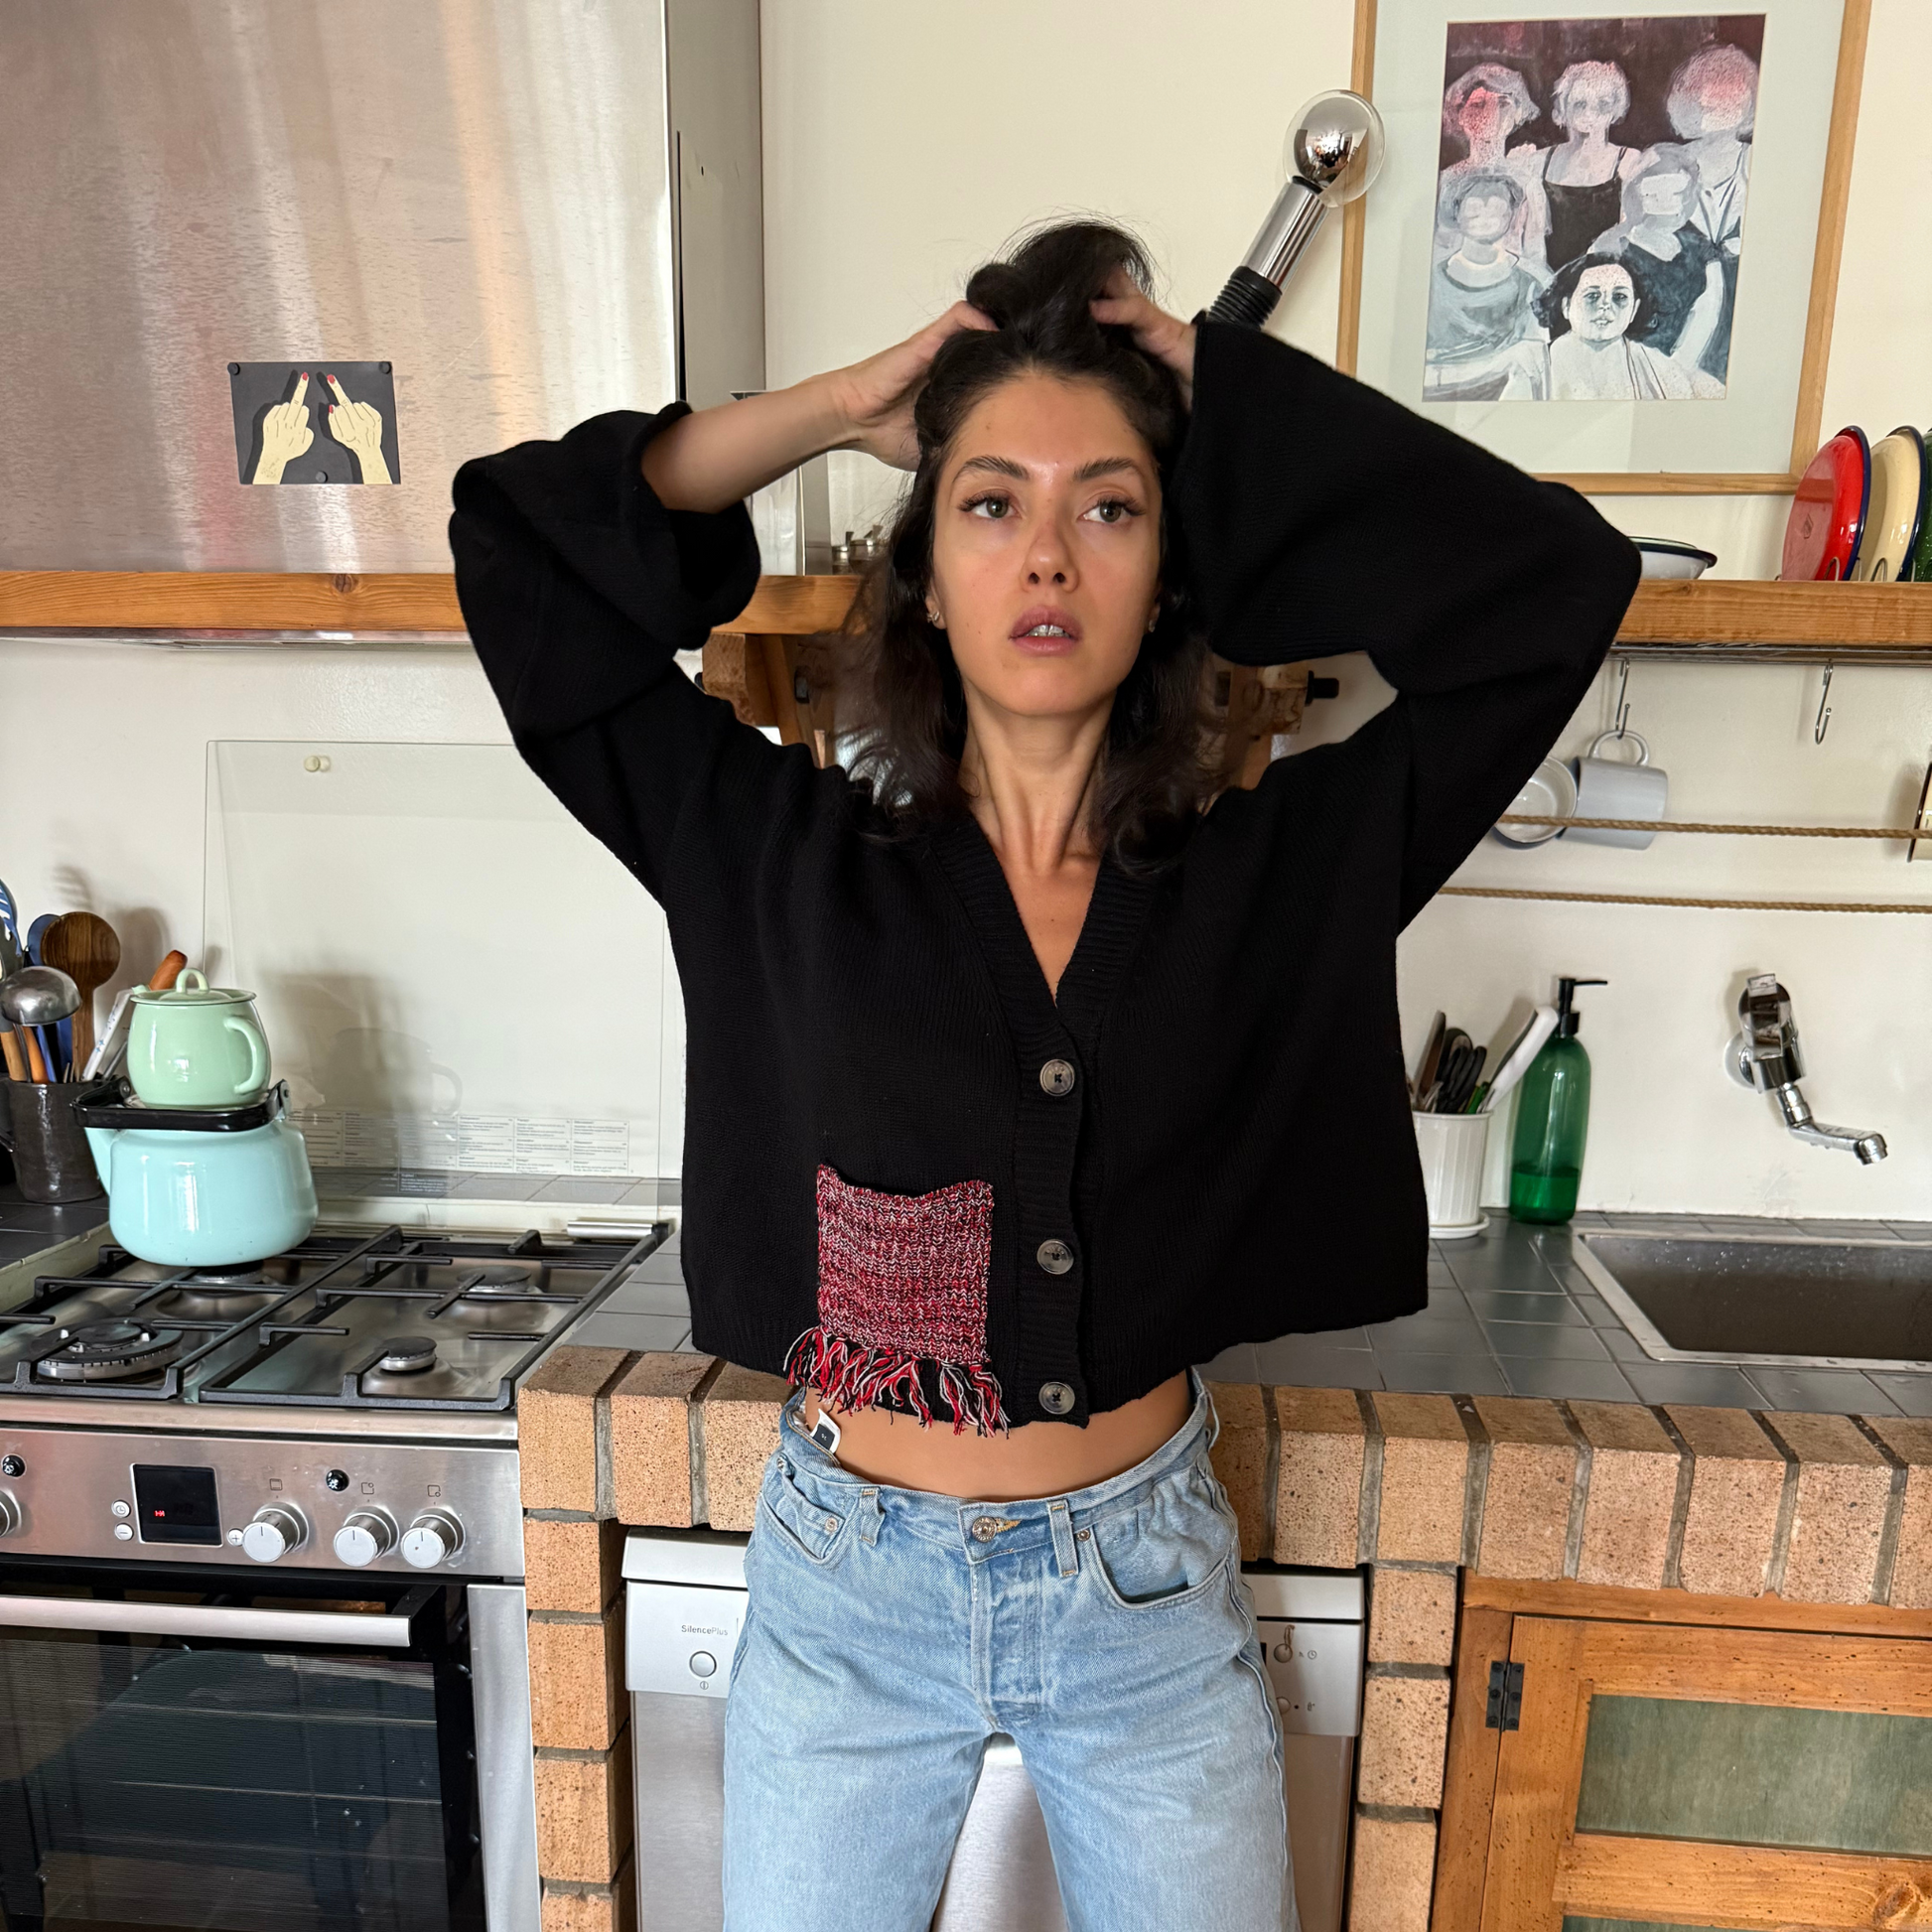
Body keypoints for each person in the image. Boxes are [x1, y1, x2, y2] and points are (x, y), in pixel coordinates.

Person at [449, 220, 1638, 1929]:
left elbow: (1552, 589)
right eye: (990, 500)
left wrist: (1218, 392)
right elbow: (515, 563)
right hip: (846, 1593)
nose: (1049, 556)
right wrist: (838, 406)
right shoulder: (773, 856)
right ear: (925, 568)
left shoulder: (1282, 873)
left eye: (1113, 505)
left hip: (1139, 1598)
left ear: (1172, 573)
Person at [1643, 42, 1759, 378]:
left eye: (1733, 96)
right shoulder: (1660, 161)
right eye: (1712, 96)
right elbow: (1632, 246)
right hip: (1673, 318)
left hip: (1739, 327)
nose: (1722, 105)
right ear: (1690, 104)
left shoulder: (1757, 162)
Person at [1591, 156, 1727, 365]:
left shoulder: (1701, 249)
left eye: (1673, 192)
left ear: (1687, 195)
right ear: (1638, 193)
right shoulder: (1612, 243)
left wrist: (1675, 369)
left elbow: (1706, 314)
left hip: (1673, 367)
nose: (1662, 200)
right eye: (1653, 192)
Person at [1533, 250, 1724, 399]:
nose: (1605, 305)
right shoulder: (1530, 364)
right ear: (1566, 305)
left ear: (1634, 309)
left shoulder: (1655, 365)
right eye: (1592, 295)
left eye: (1620, 297)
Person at [1424, 173, 1548, 400]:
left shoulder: (1528, 285)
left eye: (1496, 208)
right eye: (1474, 208)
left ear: (1512, 215)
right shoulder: (1432, 282)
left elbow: (1533, 362)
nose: (1484, 216)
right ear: (1456, 212)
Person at [1524, 60, 1644, 273]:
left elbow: (1629, 235)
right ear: (1562, 109)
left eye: (1602, 105)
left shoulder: (1628, 161)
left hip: (1608, 277)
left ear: (1615, 110)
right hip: (1551, 278)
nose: (1590, 115)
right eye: (1580, 104)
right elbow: (1533, 243)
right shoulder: (1539, 162)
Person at [1436, 61, 1549, 273]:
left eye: (1503, 105)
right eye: (1479, 105)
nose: (1492, 116)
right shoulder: (1446, 180)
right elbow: (1436, 252)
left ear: (1517, 114)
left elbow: (1535, 255)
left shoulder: (1527, 182)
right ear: (1461, 115)